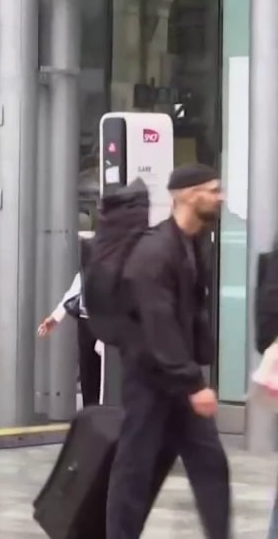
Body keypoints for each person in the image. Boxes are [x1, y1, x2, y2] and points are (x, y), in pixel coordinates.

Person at [105, 164, 230, 539]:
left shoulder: (193, 243)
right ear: (187, 195)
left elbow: (188, 313)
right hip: (149, 380)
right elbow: (159, 325)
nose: (219, 197)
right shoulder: (154, 252)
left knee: (210, 466)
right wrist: (193, 383)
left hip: (178, 380)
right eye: (212, 190)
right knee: (134, 472)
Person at [37, 236, 102, 407]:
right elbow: (73, 292)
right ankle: (91, 412)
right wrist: (55, 317)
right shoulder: (87, 263)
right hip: (86, 322)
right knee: (88, 372)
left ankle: (100, 411)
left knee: (103, 374)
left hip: (104, 323)